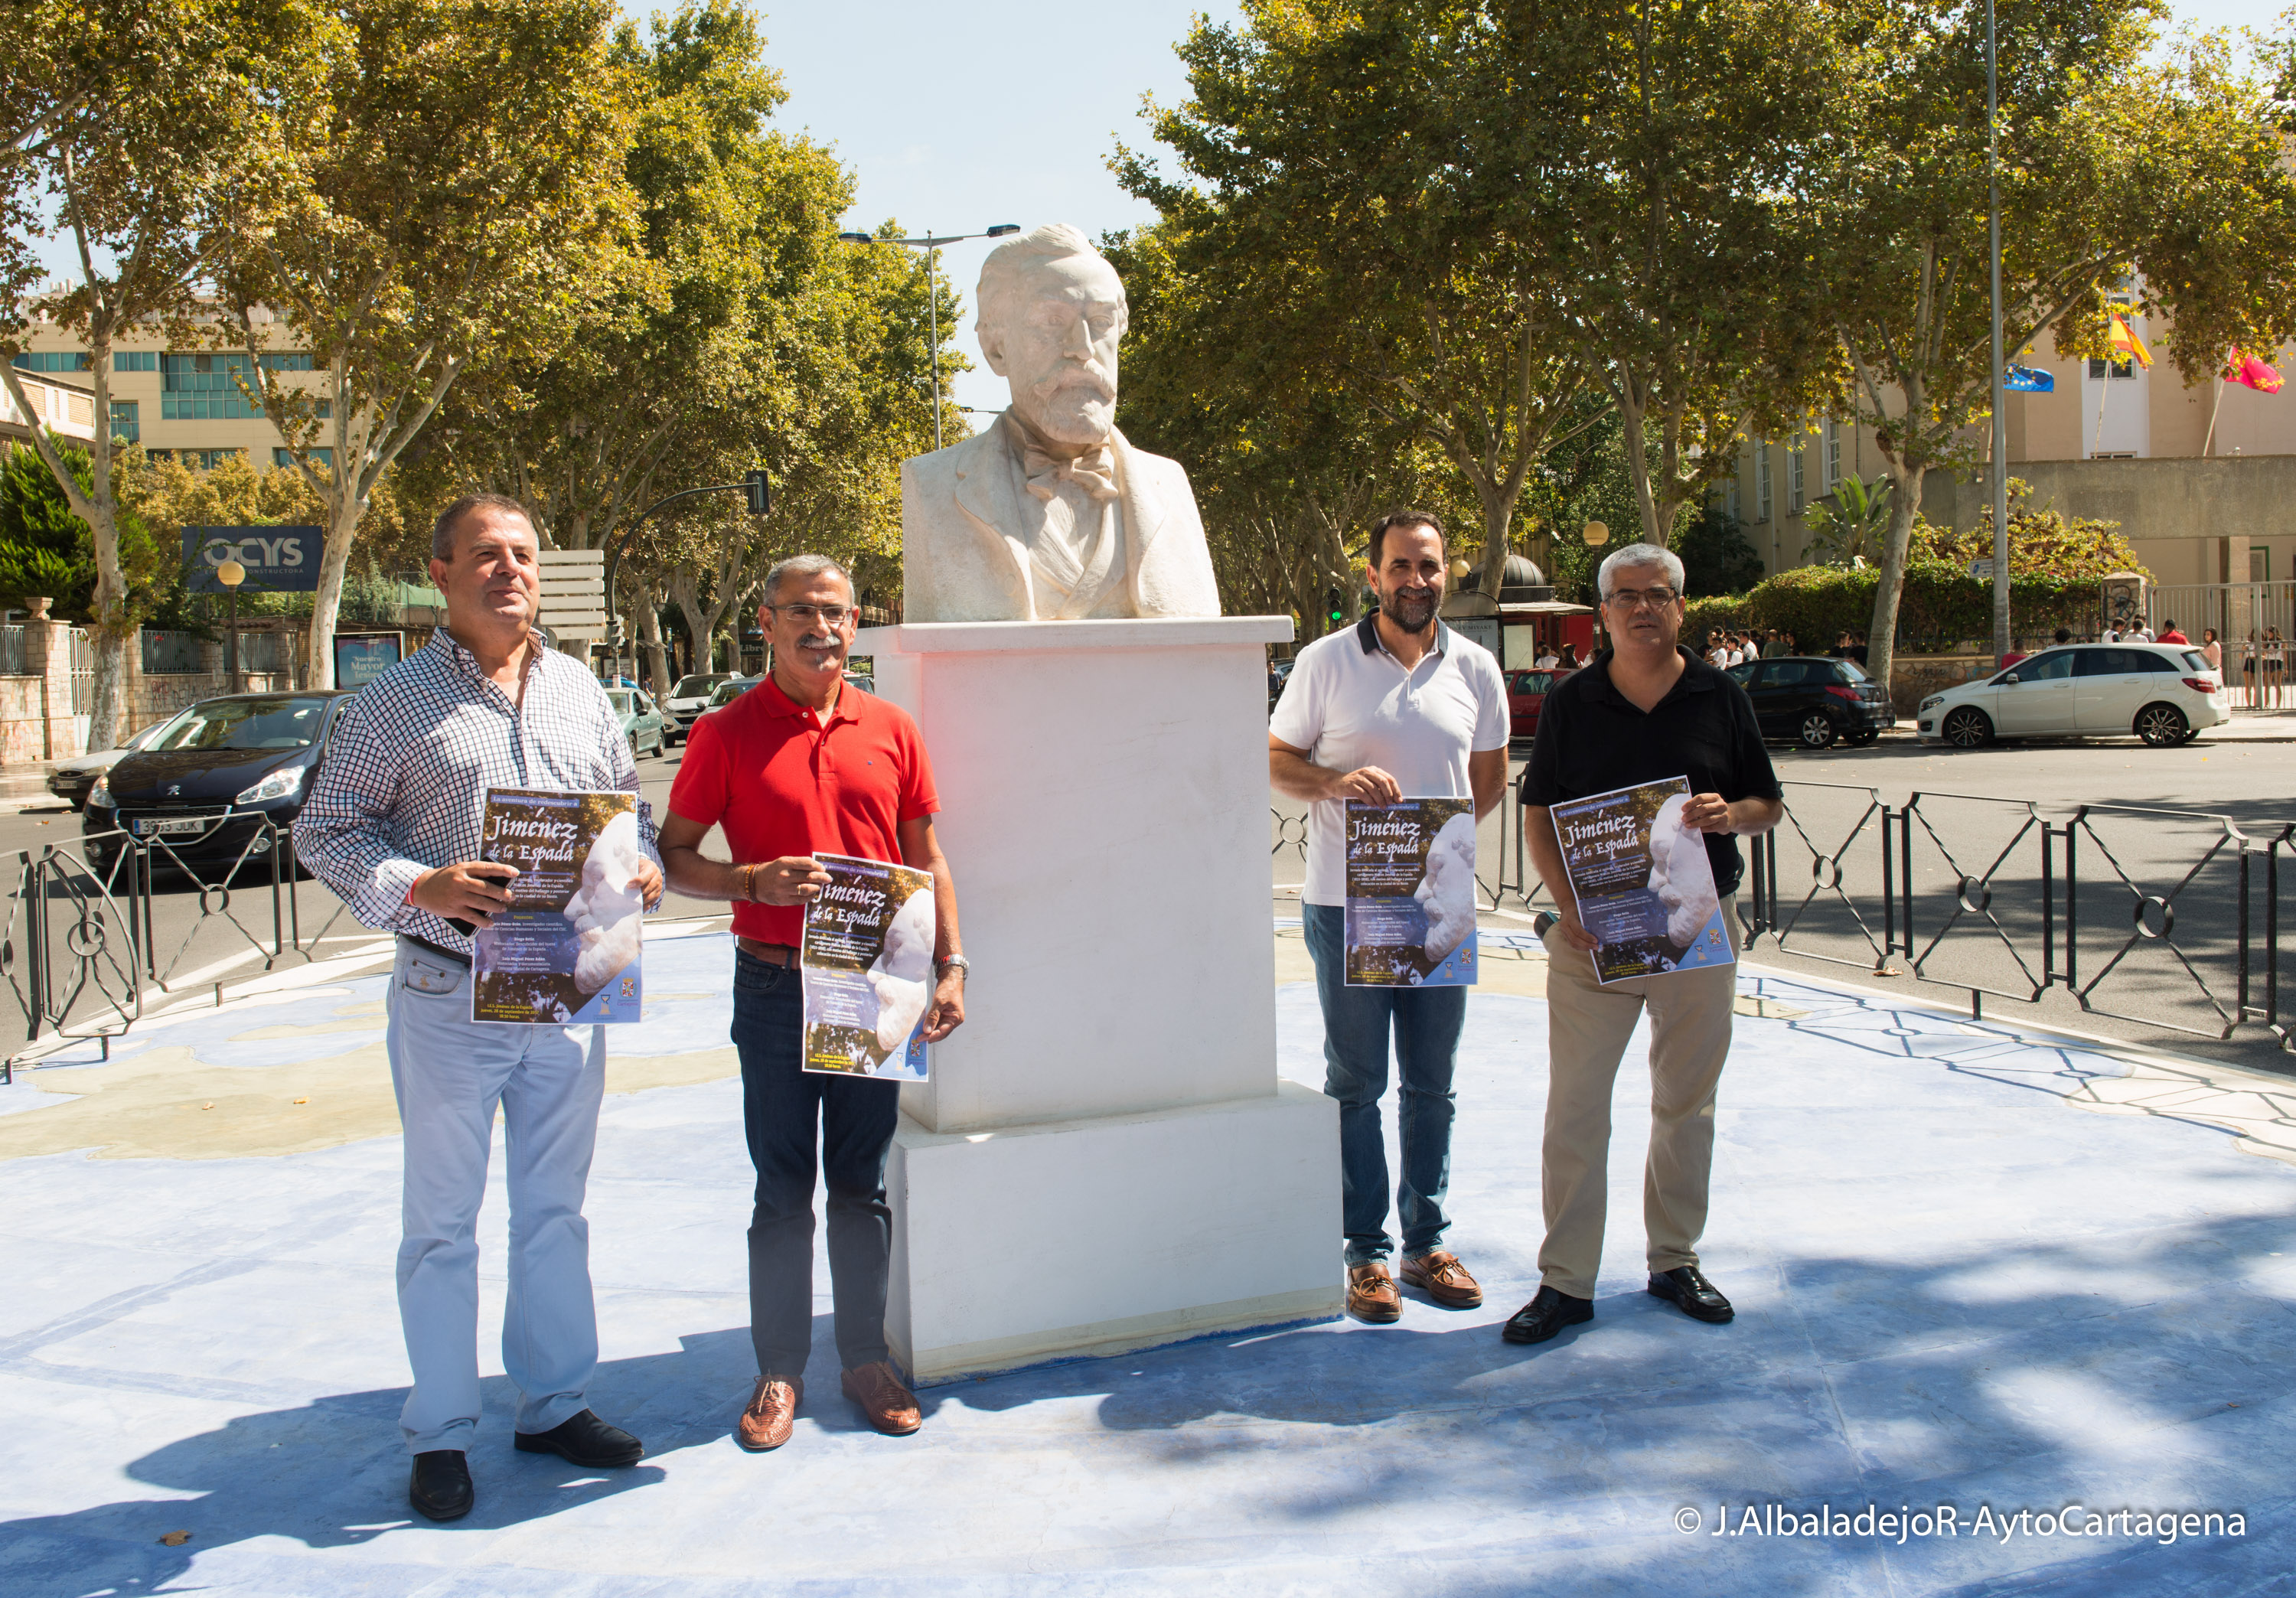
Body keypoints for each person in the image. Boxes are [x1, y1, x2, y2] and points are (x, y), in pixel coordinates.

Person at [295, 494, 667, 1523]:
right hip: (446, 991)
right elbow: (324, 831)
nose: (510, 571)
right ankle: (443, 1431)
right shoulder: (393, 701)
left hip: (568, 985)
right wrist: (422, 883)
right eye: (486, 556)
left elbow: (625, 811)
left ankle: (552, 1406)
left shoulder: (583, 690)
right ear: (443, 572)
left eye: (523, 555)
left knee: (556, 1212)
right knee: (442, 1225)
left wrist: (637, 867)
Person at [660, 554, 968, 1452]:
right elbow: (676, 856)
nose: (820, 629)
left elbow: (928, 856)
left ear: (855, 621)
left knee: (861, 1184)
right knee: (783, 1187)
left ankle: (865, 1359)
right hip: (771, 983)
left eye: (834, 614)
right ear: (765, 622)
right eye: (800, 612)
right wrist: (750, 878)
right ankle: (780, 1370)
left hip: (876, 978)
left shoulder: (893, 728)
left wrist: (953, 964)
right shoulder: (723, 733)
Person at [1506, 541, 1784, 1347]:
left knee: (1685, 1105)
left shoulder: (1720, 695)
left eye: (1656, 593)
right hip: (1593, 939)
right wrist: (1567, 909)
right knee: (1576, 1112)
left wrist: (1730, 816)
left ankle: (1674, 1259)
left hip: (1698, 934)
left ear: (1680, 607)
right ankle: (1565, 1283)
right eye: (1624, 595)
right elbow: (1537, 816)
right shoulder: (1570, 702)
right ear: (1602, 611)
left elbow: (1767, 801)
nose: (1641, 607)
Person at [1270, 508, 1511, 1325]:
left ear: (1451, 573)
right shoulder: (1325, 662)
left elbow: (1489, 780)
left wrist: (1433, 848)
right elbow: (1276, 761)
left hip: (1438, 906)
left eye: (1431, 566)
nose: (1417, 581)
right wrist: (1334, 784)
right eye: (1401, 567)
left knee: (1432, 1086)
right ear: (1372, 576)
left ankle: (1427, 1243)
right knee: (1357, 1084)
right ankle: (1366, 1254)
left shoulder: (1476, 666)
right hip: (1345, 907)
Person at [899, 223, 1218, 622]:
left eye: (1101, 322)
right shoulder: (931, 484)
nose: (1083, 348)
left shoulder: (1169, 485)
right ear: (996, 349)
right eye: (1052, 321)